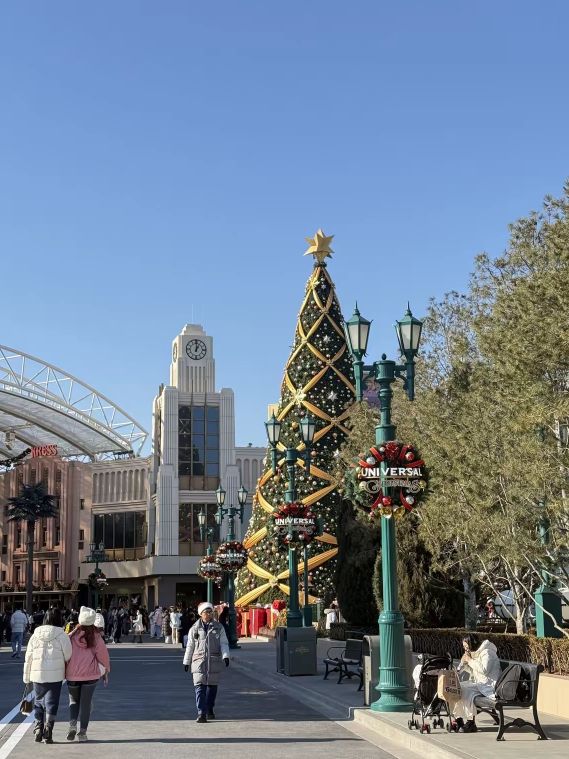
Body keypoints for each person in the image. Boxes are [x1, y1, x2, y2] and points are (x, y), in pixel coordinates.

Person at [24, 607, 72, 743]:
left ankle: (38, 728)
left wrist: (26, 677)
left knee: (39, 701)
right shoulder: (62, 635)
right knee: (52, 703)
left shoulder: (35, 635)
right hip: (55, 675)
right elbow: (68, 655)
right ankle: (48, 730)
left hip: (37, 674)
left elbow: (28, 657)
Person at [65, 606, 111, 742]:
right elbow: (103, 656)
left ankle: (72, 725)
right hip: (90, 675)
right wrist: (106, 671)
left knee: (73, 700)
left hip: (72, 674)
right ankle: (82, 733)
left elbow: (65, 654)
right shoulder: (96, 637)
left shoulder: (71, 636)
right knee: (86, 703)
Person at [183, 601, 230, 723]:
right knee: (199, 688)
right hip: (198, 662)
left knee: (212, 689)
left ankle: (209, 708)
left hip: (213, 661)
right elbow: (190, 646)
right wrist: (186, 661)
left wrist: (225, 656)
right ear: (201, 614)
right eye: (206, 612)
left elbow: (224, 643)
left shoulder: (218, 627)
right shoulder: (194, 629)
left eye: (211, 612)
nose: (209, 614)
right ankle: (201, 713)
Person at [453, 635, 501, 733]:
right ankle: (459, 719)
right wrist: (465, 664)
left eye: (467, 647)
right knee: (457, 687)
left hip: (490, 686)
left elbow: (484, 670)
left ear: (472, 645)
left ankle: (470, 723)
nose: (466, 650)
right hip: (481, 683)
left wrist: (470, 660)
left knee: (466, 691)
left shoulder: (487, 652)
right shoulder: (476, 653)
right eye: (464, 647)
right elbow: (474, 671)